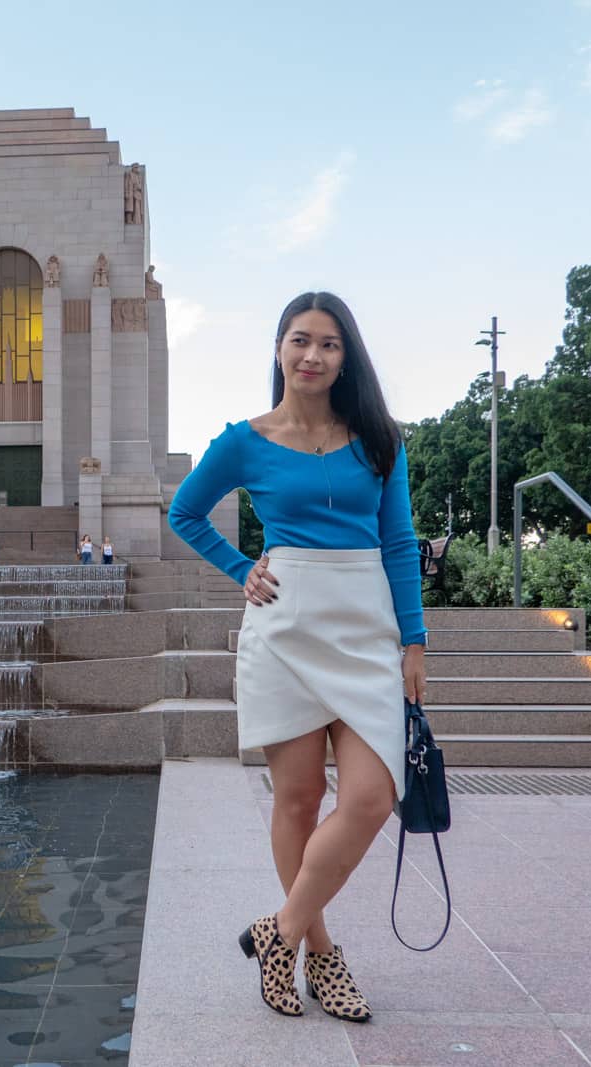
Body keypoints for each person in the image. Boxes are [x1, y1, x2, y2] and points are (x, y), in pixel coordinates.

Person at [168, 291, 426, 1023]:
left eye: (329, 344)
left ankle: (276, 932)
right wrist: (239, 564)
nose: (312, 355)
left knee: (373, 796)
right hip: (284, 627)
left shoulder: (378, 439)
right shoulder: (244, 439)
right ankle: (321, 952)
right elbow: (184, 511)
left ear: (347, 358)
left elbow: (400, 544)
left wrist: (415, 640)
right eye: (299, 340)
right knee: (299, 799)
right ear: (279, 348)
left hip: (365, 625)